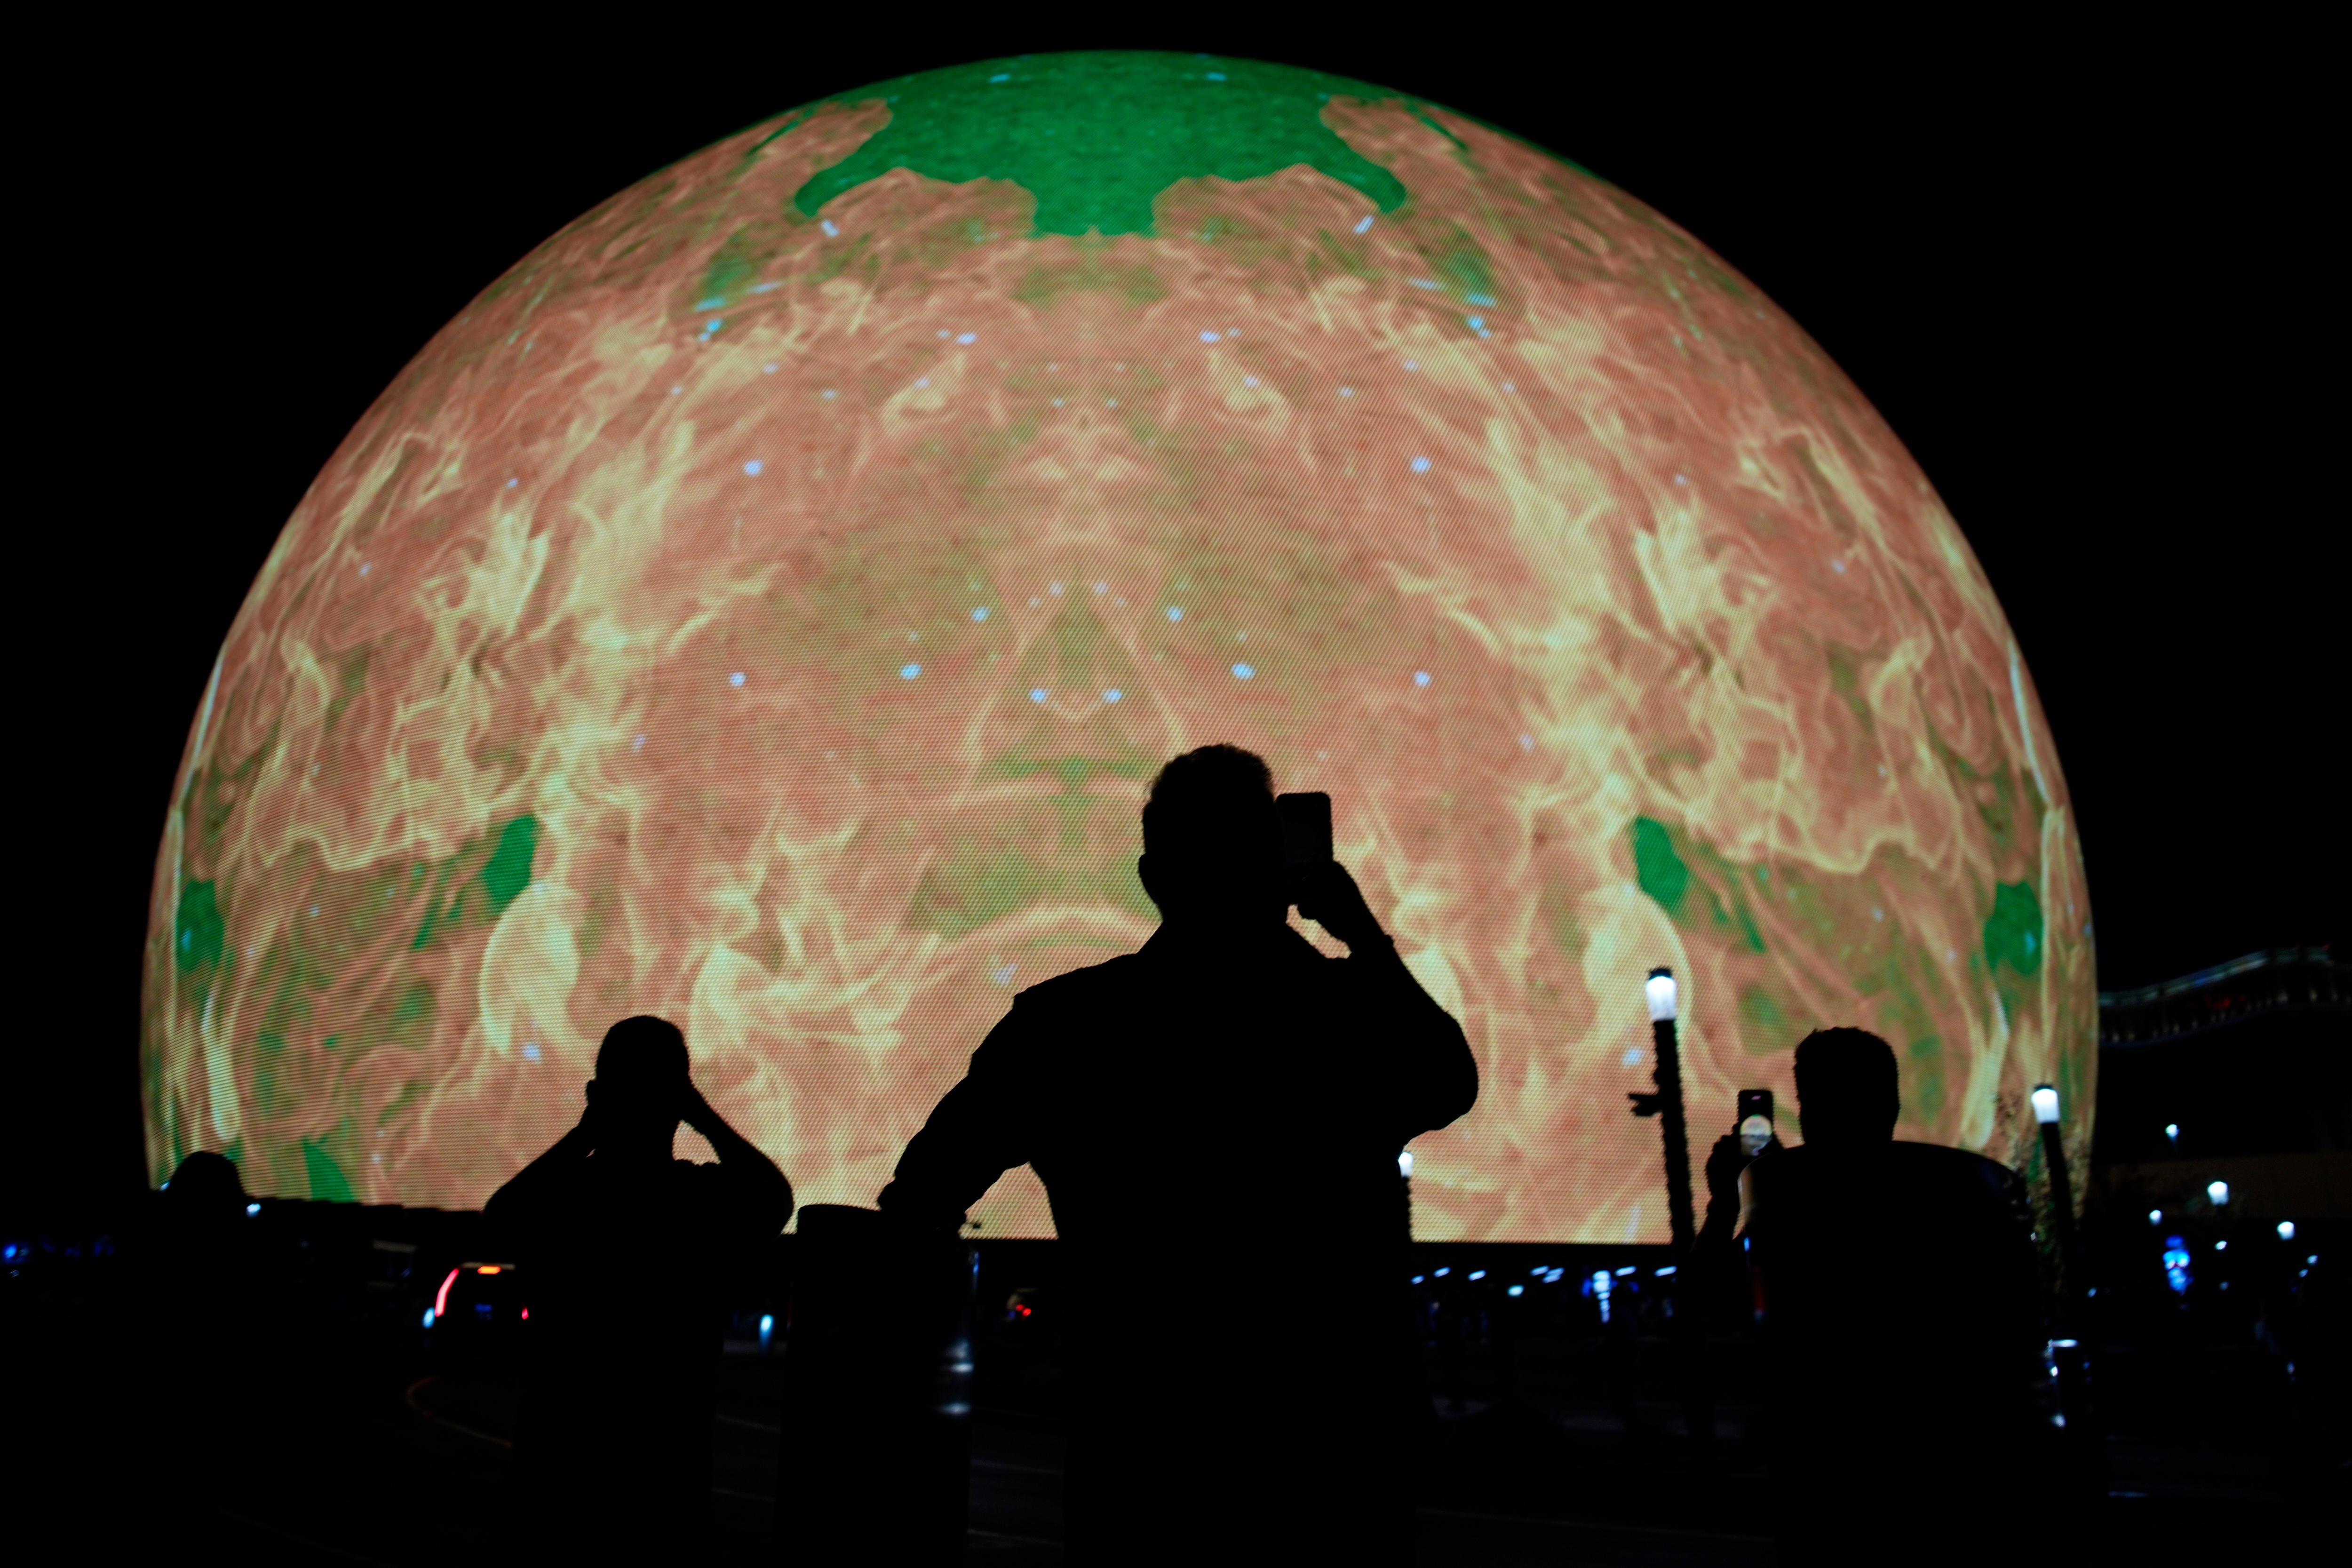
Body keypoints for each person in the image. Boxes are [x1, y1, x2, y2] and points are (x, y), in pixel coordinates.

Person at [878, 745, 1478, 1563]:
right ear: (1282, 870)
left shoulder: (1065, 1026)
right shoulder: (1346, 1017)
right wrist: (1364, 939)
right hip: (1337, 1454)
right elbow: (1448, 1082)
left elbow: (918, 1199)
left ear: (1154, 878)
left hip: (1144, 1454)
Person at [485, 1016, 794, 1559]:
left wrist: (583, 1134)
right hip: (667, 1495)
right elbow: (774, 1199)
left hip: (551, 1489)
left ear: (596, 1095)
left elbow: (499, 1219)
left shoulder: (562, 1199)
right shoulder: (701, 1202)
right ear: (679, 1101)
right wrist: (703, 1116)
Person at [1737, 1028, 2045, 1561]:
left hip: (1833, 1486)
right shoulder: (1966, 1194)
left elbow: (1711, 1309)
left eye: (1812, 1099)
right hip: (1963, 1481)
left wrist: (1735, 1201)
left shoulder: (1794, 1199)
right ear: (1893, 1104)